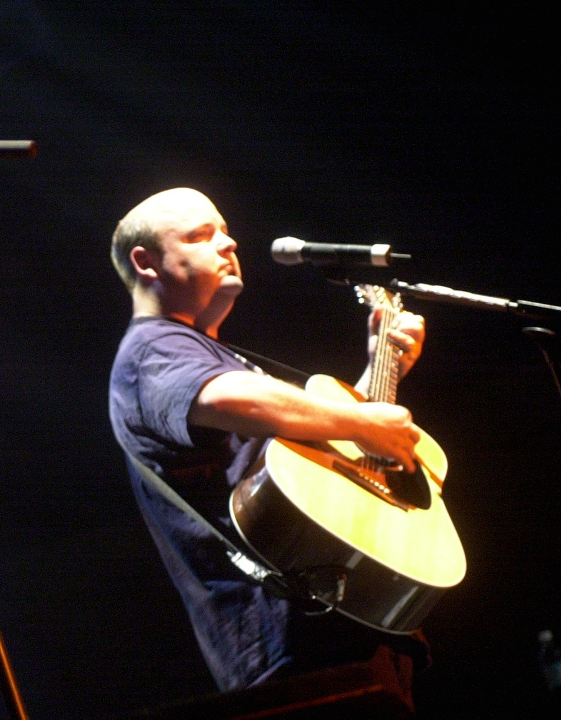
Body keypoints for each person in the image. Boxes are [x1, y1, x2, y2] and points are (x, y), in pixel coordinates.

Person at [107, 188, 430, 704]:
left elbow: (331, 467)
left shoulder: (209, 351)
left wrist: (379, 369)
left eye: (225, 229)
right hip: (290, 641)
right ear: (146, 262)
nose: (228, 241)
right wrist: (362, 421)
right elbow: (222, 396)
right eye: (200, 235)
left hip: (340, 622)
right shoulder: (153, 347)